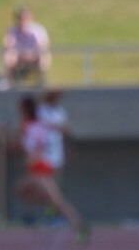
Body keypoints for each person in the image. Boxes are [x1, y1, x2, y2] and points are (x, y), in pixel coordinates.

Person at [14, 96, 87, 242]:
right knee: (23, 191)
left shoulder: (29, 126)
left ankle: (77, 224)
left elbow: (29, 147)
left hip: (38, 168)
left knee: (56, 200)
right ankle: (39, 215)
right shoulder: (35, 125)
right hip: (37, 167)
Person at [0, 7, 50, 88]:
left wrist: (32, 53)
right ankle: (7, 82)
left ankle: (41, 81)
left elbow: (43, 43)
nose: (22, 20)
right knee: (8, 56)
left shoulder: (37, 29)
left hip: (33, 54)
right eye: (20, 18)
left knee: (43, 55)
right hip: (18, 55)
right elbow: (7, 44)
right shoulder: (12, 30)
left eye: (24, 18)